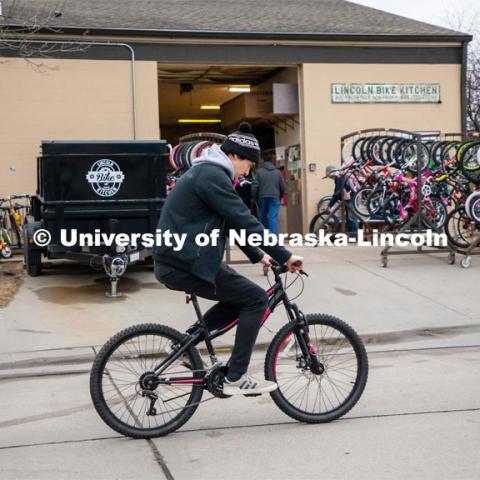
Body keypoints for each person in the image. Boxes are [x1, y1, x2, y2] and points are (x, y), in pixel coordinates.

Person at [154, 122, 304, 396]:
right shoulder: (212, 175)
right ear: (234, 156)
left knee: (241, 298)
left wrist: (259, 255)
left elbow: (231, 222)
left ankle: (182, 345)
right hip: (185, 261)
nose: (248, 171)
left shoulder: (208, 172)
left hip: (181, 259)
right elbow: (243, 219)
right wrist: (285, 255)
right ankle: (236, 375)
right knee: (256, 299)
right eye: (248, 164)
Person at [324, 165, 359, 236]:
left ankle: (356, 236)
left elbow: (336, 194)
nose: (330, 178)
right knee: (349, 217)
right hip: (349, 198)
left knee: (351, 217)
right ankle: (353, 235)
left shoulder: (339, 177)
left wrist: (329, 206)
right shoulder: (340, 177)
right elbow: (337, 193)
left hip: (351, 198)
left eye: (329, 176)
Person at [255, 155, 285, 235]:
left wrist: (254, 197)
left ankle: (263, 236)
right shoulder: (278, 172)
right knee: (273, 217)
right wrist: (280, 197)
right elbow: (282, 187)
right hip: (275, 197)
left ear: (263, 161)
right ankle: (273, 238)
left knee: (262, 217)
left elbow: (254, 186)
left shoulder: (258, 171)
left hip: (261, 197)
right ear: (272, 161)